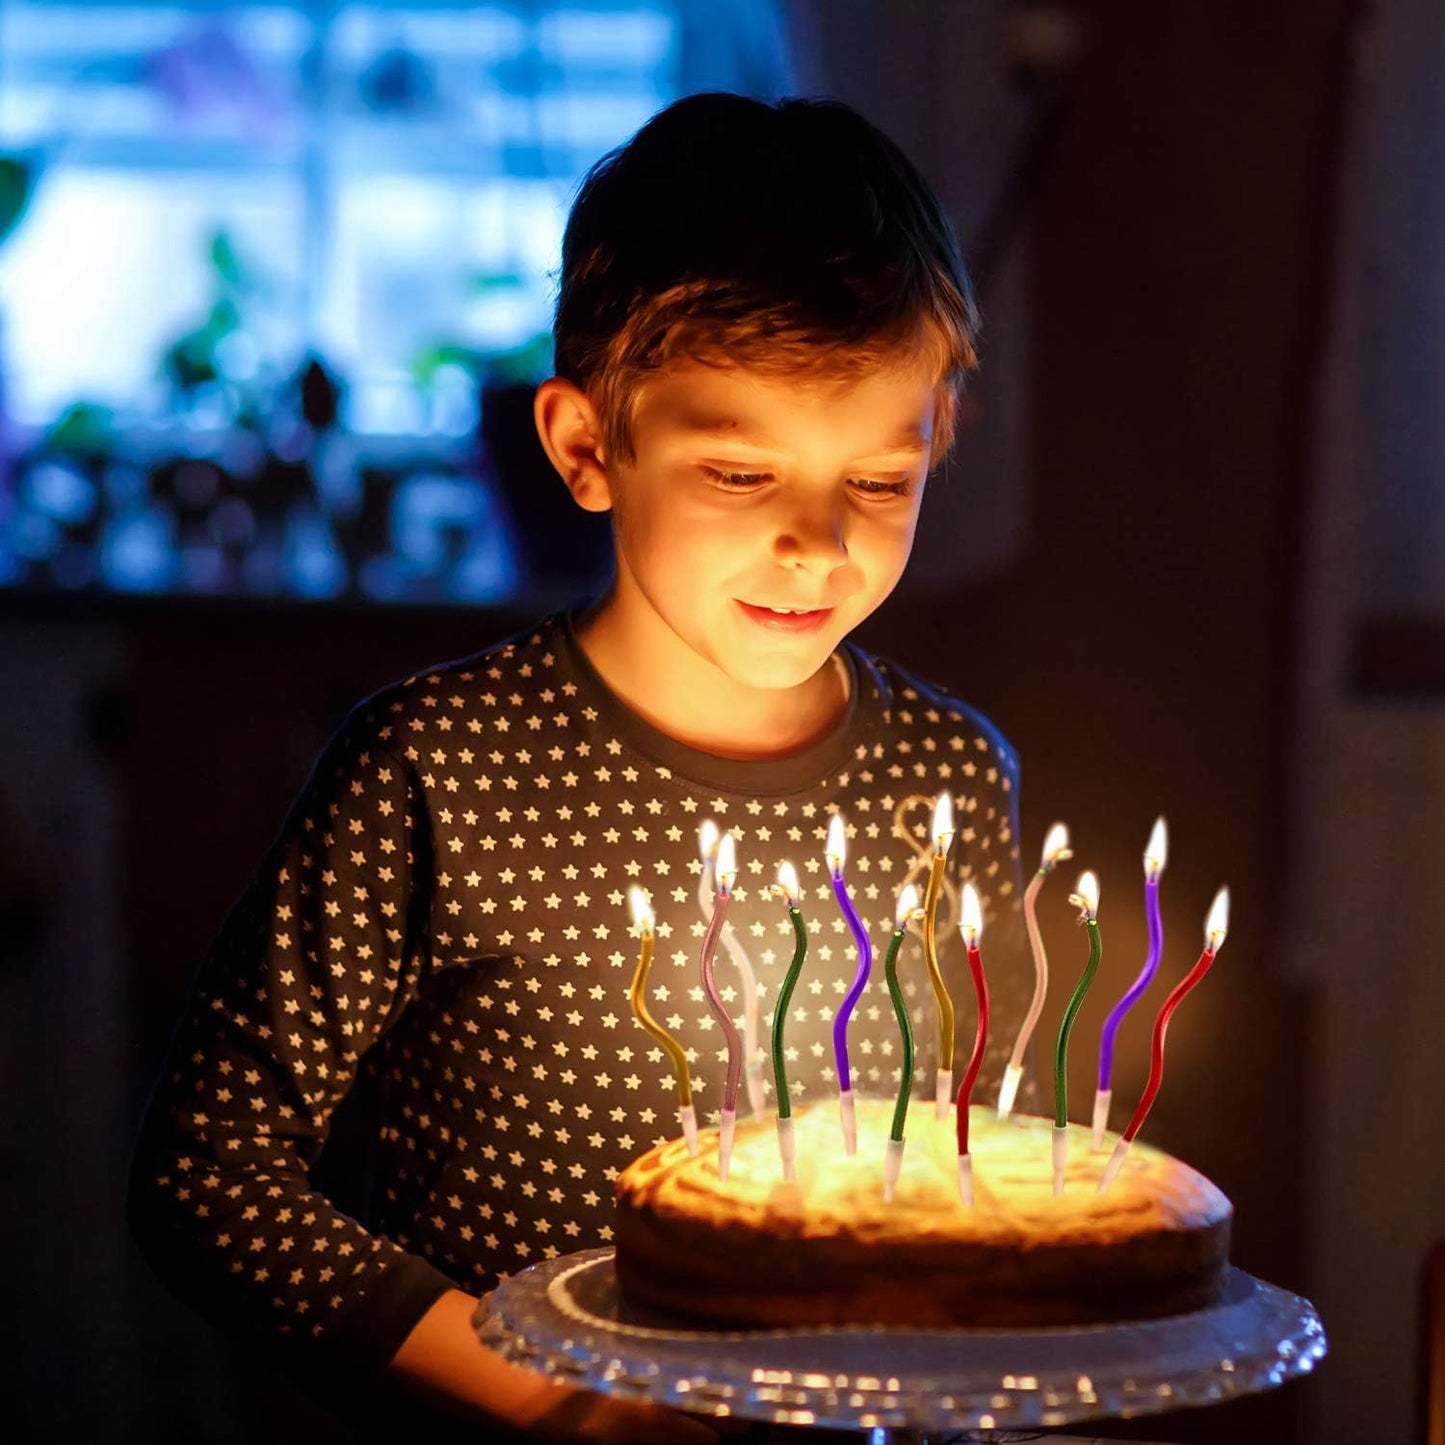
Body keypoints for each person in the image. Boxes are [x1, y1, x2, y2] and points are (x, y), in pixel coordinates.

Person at [129, 91, 1029, 1442]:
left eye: (876, 482)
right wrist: (551, 1399)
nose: (814, 543)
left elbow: (988, 1165)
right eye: (738, 473)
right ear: (585, 445)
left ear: (935, 442)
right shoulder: (437, 768)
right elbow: (209, 1172)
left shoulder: (948, 780)